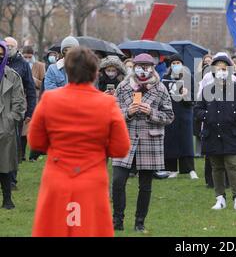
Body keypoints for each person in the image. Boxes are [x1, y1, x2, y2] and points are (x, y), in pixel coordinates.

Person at [28, 47, 130, 237]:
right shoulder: (107, 104)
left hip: (57, 176)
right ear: (95, 73)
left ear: (67, 70)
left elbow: (36, 142)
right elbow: (121, 148)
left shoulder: (50, 99)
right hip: (92, 179)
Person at [112, 54, 174, 233]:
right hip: (125, 138)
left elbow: (169, 116)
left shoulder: (160, 88)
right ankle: (118, 220)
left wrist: (151, 112)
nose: (142, 69)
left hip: (149, 140)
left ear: (153, 68)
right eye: (139, 66)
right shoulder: (123, 86)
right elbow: (113, 114)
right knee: (118, 181)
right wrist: (127, 112)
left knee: (145, 185)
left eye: (147, 66)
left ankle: (139, 223)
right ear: (134, 67)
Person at [195, 55, 236, 211]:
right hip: (212, 133)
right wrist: (207, 116)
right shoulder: (207, 89)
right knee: (216, 167)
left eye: (224, 68)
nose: (221, 71)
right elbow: (198, 109)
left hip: (231, 134)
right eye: (218, 68)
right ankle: (220, 198)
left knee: (233, 165)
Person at [5, 37, 36, 189]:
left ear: (16, 48)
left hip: (15, 110)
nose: (8, 48)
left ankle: (12, 179)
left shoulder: (23, 64)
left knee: (13, 145)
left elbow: (30, 88)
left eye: (11, 46)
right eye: (6, 46)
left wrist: (30, 111)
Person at [162, 54, 198, 180]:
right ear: (170, 65)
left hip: (185, 112)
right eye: (173, 63)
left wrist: (187, 95)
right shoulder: (165, 78)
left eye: (178, 63)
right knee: (170, 141)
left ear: (182, 64)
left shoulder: (188, 78)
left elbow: (195, 96)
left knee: (186, 141)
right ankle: (172, 169)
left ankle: (190, 169)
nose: (176, 65)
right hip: (170, 113)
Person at [0, 41, 26, 210]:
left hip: (4, 126)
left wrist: (9, 120)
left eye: (2, 53)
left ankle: (7, 199)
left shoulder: (13, 76)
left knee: (5, 165)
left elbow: (19, 102)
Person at [21, 45, 46, 162]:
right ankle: (21, 155)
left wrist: (33, 80)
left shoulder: (40, 66)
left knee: (32, 127)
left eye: (29, 57)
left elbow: (44, 84)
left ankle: (33, 155)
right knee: (22, 130)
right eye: (25, 57)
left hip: (34, 99)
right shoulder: (20, 64)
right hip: (21, 98)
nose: (27, 59)